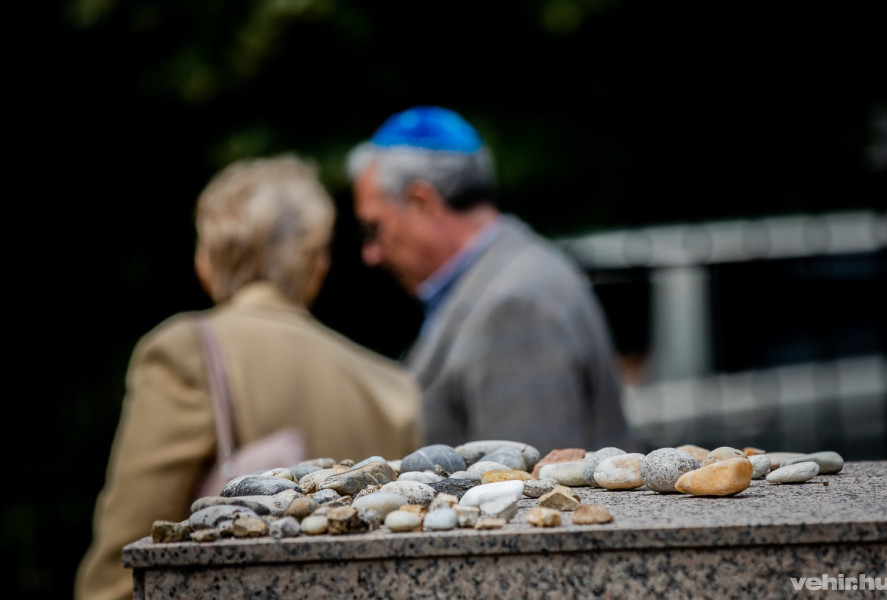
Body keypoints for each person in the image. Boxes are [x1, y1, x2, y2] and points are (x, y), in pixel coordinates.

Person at [75, 154, 423, 600]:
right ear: (317, 264)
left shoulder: (185, 351)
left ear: (207, 259)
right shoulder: (391, 386)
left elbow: (125, 560)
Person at [345, 106, 632, 455]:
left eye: (373, 228)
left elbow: (532, 481)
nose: (371, 254)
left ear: (422, 202)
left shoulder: (515, 306)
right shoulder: (512, 275)